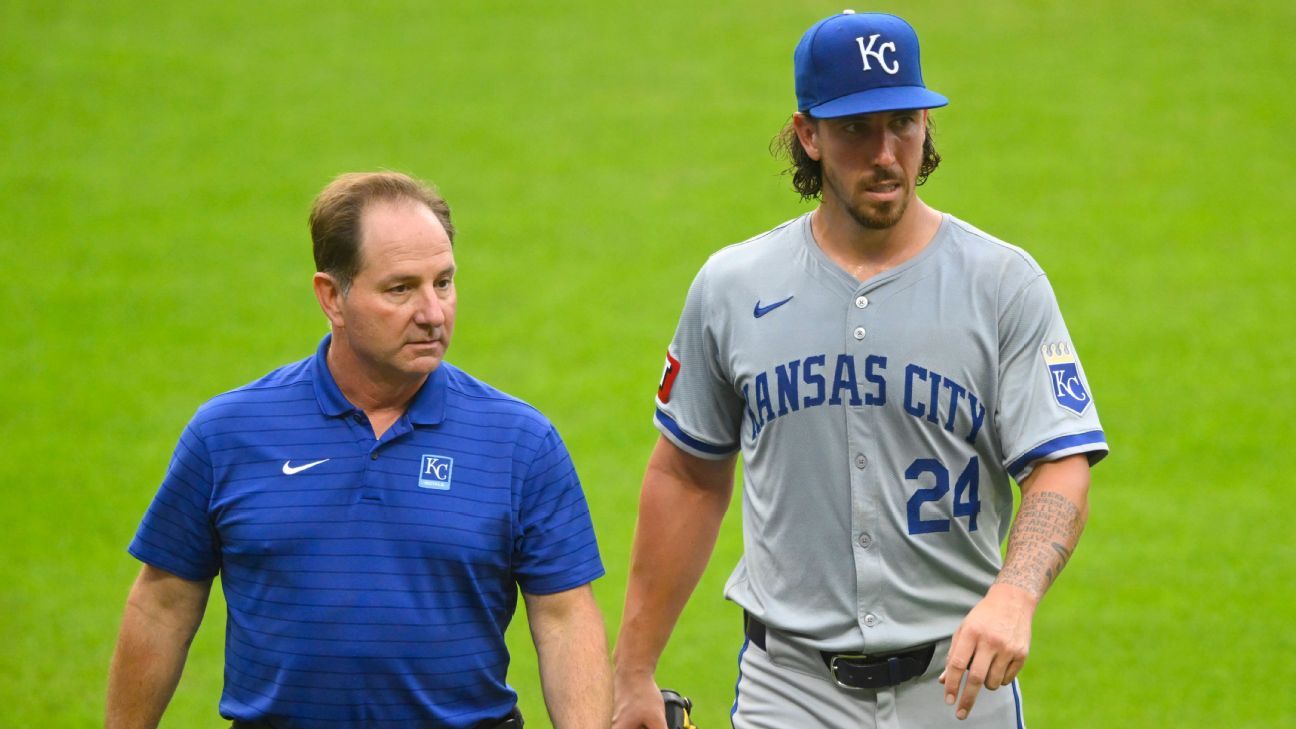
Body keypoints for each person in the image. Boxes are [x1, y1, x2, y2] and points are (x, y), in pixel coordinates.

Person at [612, 11, 1107, 729]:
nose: (886, 153)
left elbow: (1061, 462)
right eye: (856, 129)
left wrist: (1015, 593)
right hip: (790, 688)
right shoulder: (732, 286)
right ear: (808, 134)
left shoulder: (1003, 283)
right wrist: (633, 670)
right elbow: (687, 473)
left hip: (959, 688)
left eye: (904, 123)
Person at [106, 171, 611, 729]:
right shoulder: (229, 432)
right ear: (332, 297)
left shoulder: (519, 441)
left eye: (443, 282)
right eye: (400, 288)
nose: (433, 312)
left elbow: (565, 617)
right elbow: (163, 603)